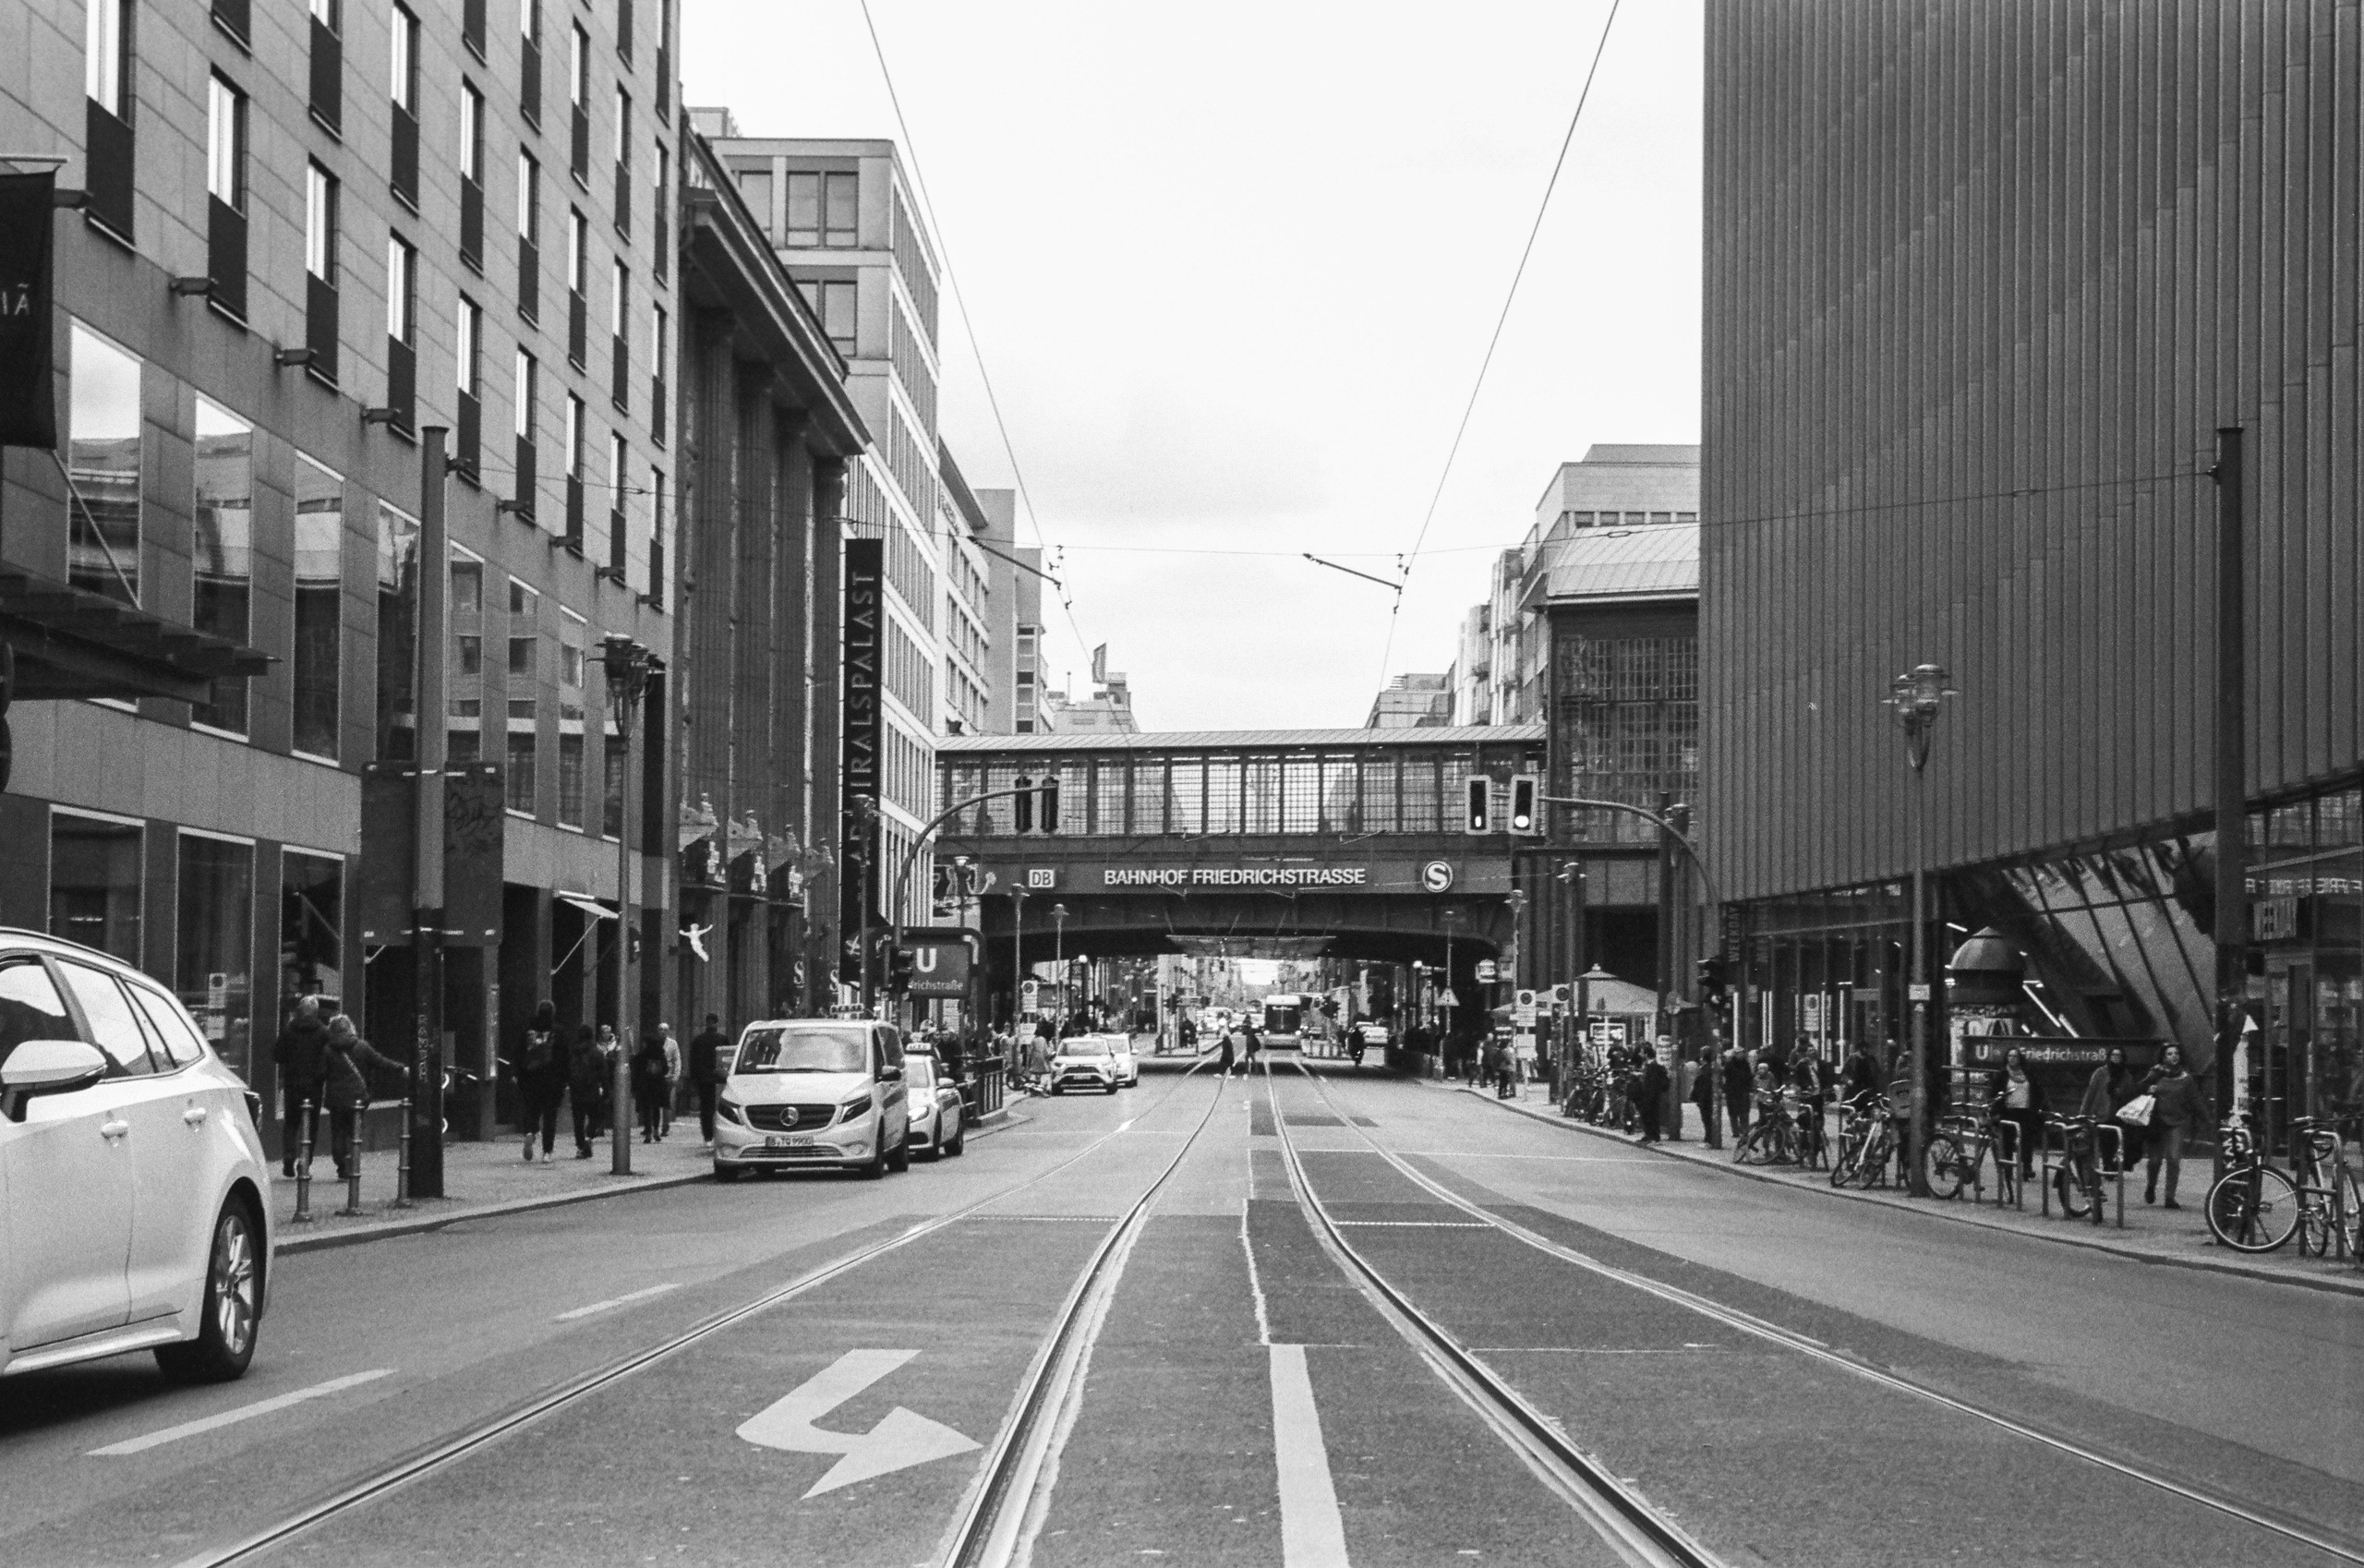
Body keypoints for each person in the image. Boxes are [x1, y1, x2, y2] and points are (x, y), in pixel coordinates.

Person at [320, 1014, 405, 1179]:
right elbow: (381, 1062)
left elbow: (320, 1074)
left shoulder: (327, 1050)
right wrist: (401, 1069)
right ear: (351, 1028)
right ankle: (353, 1163)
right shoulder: (362, 1047)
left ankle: (341, 1165)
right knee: (355, 1133)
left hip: (336, 1100)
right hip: (357, 1099)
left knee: (338, 1133)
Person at [2140, 1044, 2204, 1208]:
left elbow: (2195, 1099)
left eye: (2176, 1053)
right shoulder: (2156, 1073)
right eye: (2169, 1054)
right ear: (2163, 1057)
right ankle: (2151, 1186)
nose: (2174, 1056)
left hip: (2177, 1122)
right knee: (2154, 1160)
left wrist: (2206, 1118)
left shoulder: (2186, 1078)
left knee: (2174, 1159)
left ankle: (2170, 1197)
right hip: (2157, 1122)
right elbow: (2139, 1088)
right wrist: (2148, 1090)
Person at [273, 995, 331, 1176]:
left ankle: (289, 1157)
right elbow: (328, 1058)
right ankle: (304, 1162)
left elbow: (277, 1055)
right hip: (314, 1085)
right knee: (311, 1124)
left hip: (293, 1084)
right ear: (315, 1012)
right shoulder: (323, 1032)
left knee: (291, 1122)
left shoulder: (289, 1030)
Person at [516, 1000, 564, 1164]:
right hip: (552, 1081)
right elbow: (565, 1057)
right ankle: (547, 1152)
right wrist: (564, 1080)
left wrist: (518, 1075)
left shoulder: (528, 1031)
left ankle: (530, 1132)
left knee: (532, 1111)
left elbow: (518, 1053)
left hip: (531, 1080)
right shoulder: (557, 1031)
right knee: (550, 1117)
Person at [1992, 1047, 2048, 1176]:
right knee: (2007, 1141)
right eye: (2010, 1056)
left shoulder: (2027, 1073)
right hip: (2008, 1112)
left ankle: (2027, 1167)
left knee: (2027, 1140)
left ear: (2020, 1058)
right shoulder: (2003, 1074)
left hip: (2025, 1112)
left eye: (2015, 1056)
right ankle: (2008, 1168)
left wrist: (2037, 1107)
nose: (2012, 1058)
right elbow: (1994, 1092)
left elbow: (2037, 1090)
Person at [687, 1014, 730, 1146]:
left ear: (706, 1023)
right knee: (721, 1108)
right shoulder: (723, 1039)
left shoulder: (698, 1040)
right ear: (717, 1024)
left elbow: (693, 1061)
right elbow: (728, 1059)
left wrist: (693, 1079)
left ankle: (708, 1136)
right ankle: (720, 1135)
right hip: (719, 1079)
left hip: (704, 1079)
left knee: (706, 1109)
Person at [568, 1024, 606, 1157]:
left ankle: (580, 1147)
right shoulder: (597, 1052)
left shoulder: (573, 1051)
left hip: (576, 1090)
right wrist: (605, 1089)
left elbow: (567, 1070)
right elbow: (603, 1073)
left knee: (578, 1120)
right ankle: (588, 1137)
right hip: (592, 1090)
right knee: (595, 1116)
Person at [632, 1031, 669, 1144]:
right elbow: (666, 1069)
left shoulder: (643, 1054)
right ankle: (656, 1131)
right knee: (657, 1109)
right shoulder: (660, 1053)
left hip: (646, 1085)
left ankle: (648, 1133)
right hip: (658, 1085)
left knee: (646, 1109)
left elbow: (636, 1068)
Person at [1636, 1049, 1671, 1143]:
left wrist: (1650, 1096)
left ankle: (1654, 1137)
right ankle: (1648, 1135)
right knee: (1646, 1115)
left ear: (1646, 1054)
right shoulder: (1649, 1066)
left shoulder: (1653, 1067)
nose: (1641, 1054)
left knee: (1651, 1116)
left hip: (1651, 1096)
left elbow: (1653, 1083)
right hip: (1649, 1095)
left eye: (1642, 1052)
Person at [1722, 1045, 1755, 1142]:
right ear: (1735, 1055)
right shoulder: (1729, 1064)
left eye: (1742, 1053)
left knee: (1744, 1112)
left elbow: (1749, 1076)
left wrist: (1750, 1088)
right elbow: (1725, 1078)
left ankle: (1745, 1130)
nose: (1741, 1055)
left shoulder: (1745, 1064)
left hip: (1743, 1091)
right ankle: (1735, 1131)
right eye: (1739, 1053)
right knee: (1733, 1113)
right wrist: (1725, 1090)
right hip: (1732, 1092)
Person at [656, 1022, 682, 1140]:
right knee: (655, 1102)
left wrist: (677, 1075)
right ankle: (654, 1126)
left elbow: (677, 1060)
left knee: (666, 1103)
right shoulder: (654, 1043)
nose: (663, 1031)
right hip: (656, 1077)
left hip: (668, 1076)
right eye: (661, 1029)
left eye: (665, 1029)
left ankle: (665, 1127)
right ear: (657, 1030)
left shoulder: (672, 1043)